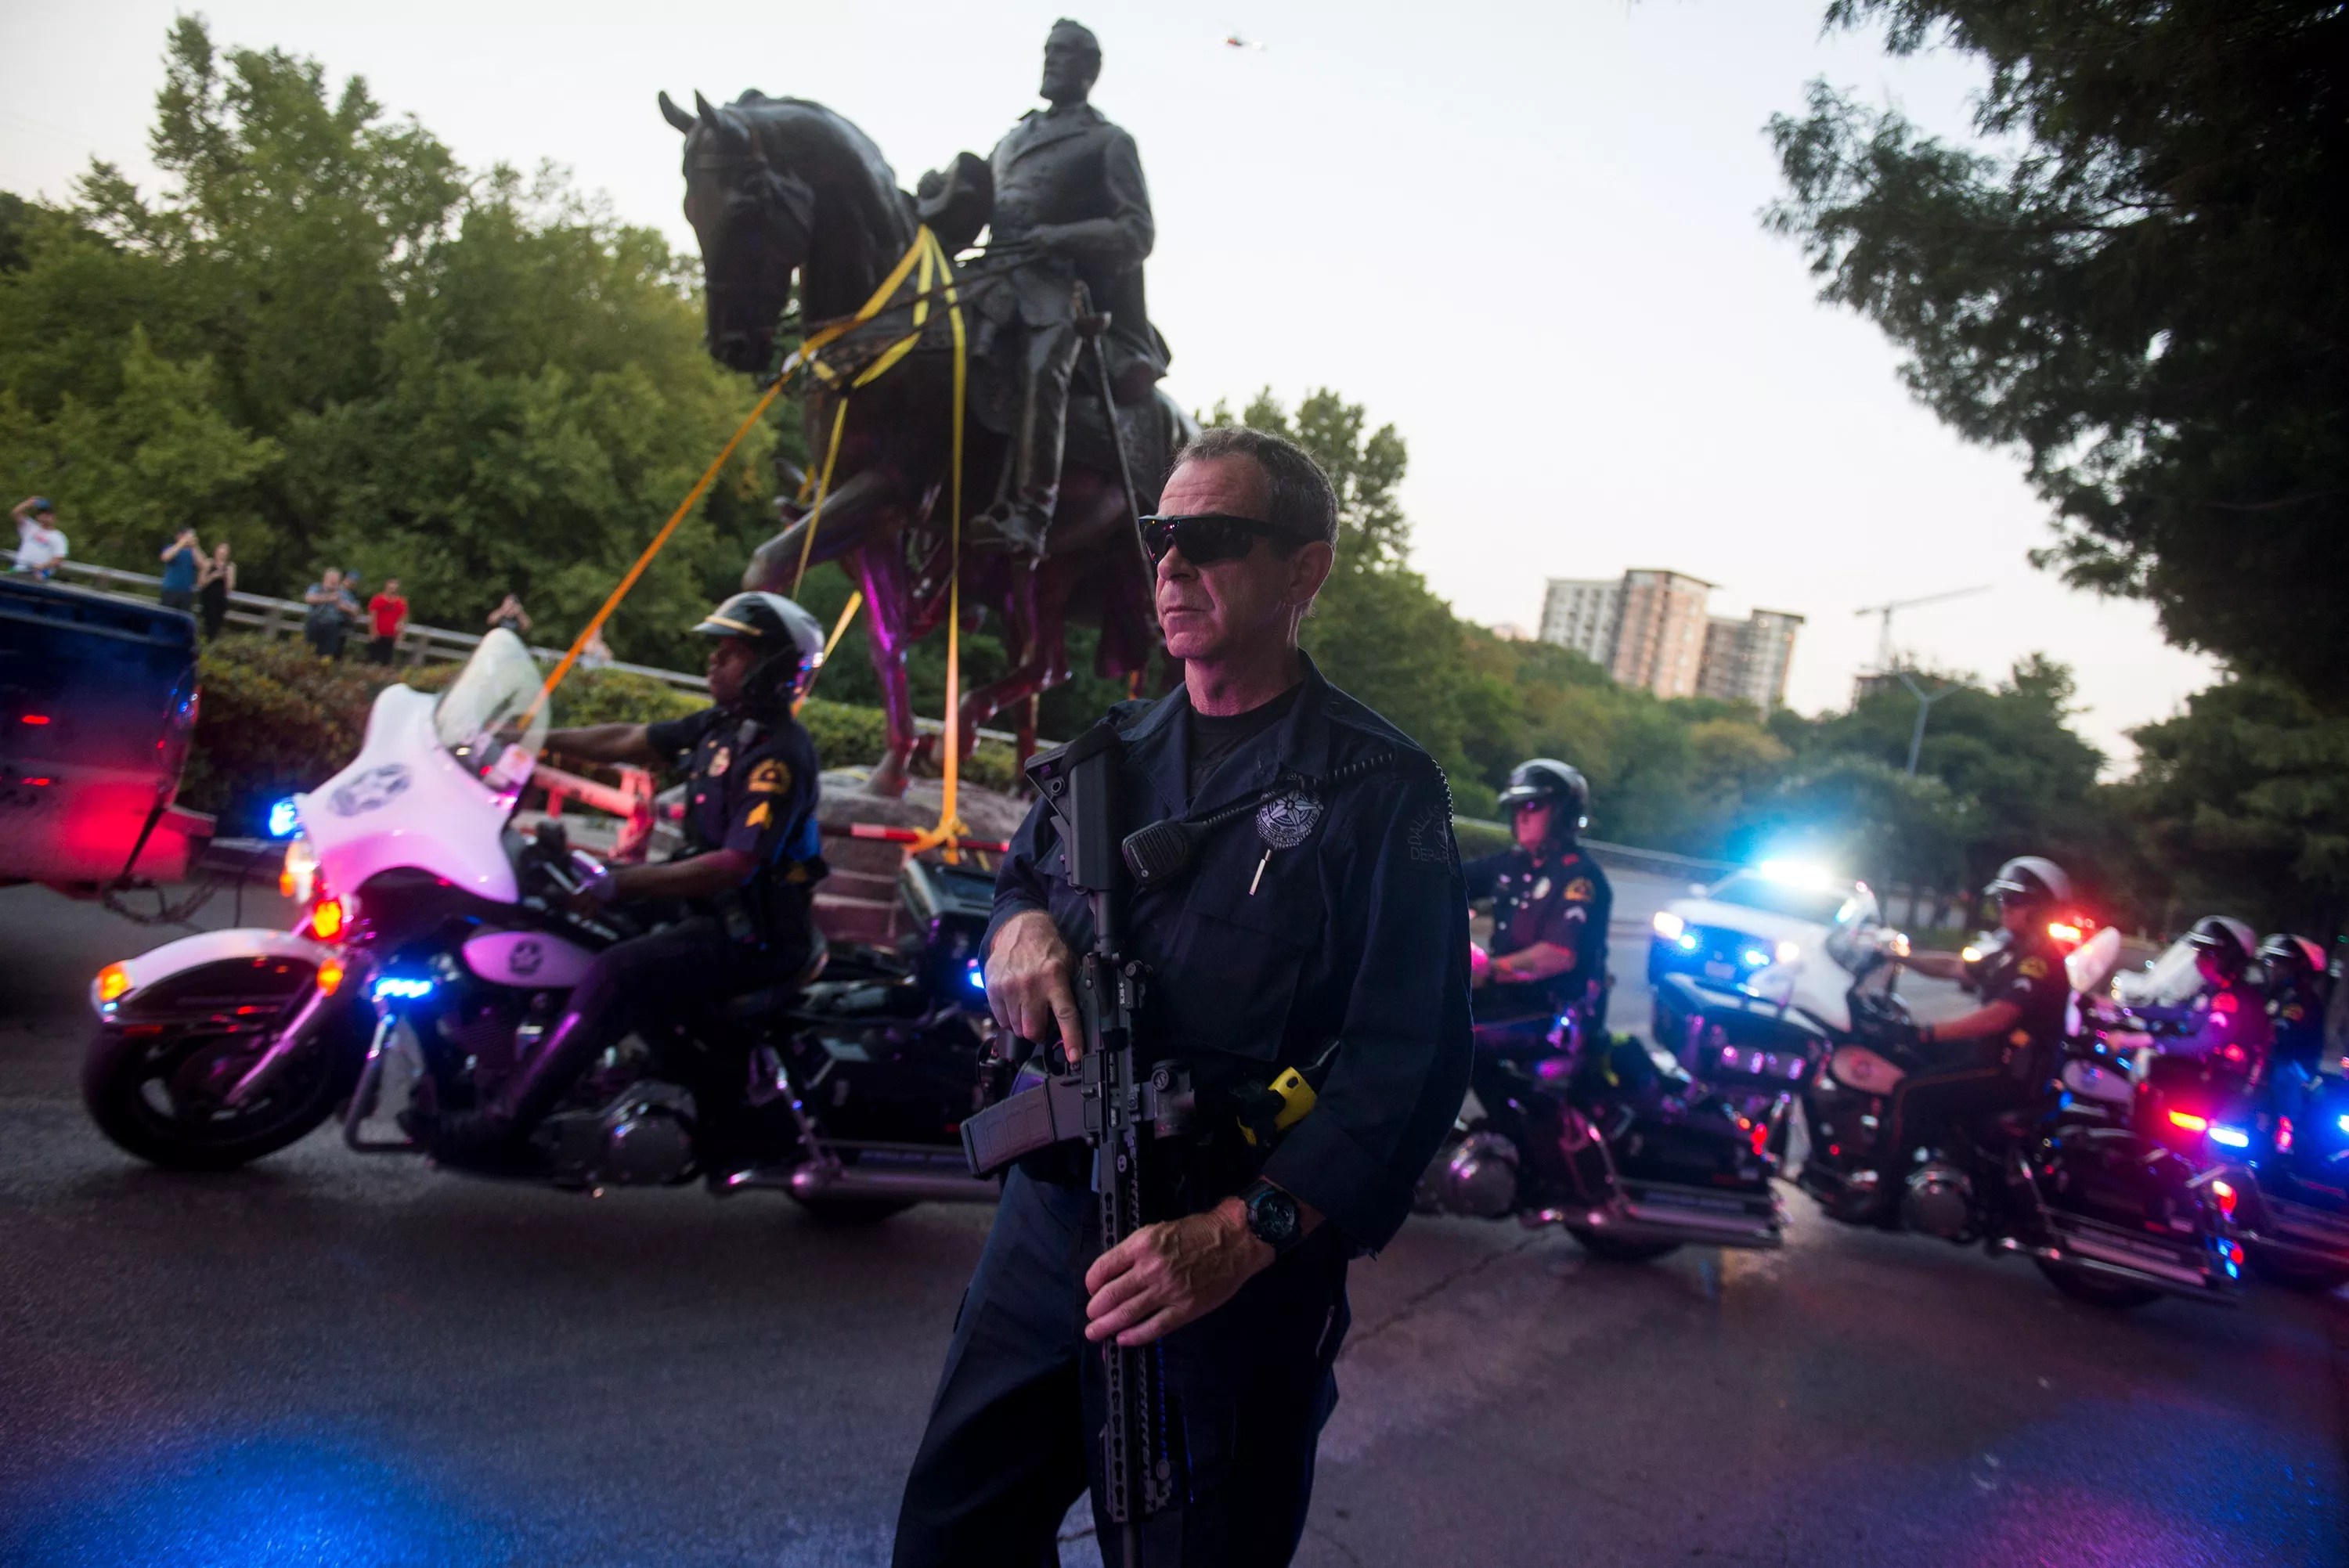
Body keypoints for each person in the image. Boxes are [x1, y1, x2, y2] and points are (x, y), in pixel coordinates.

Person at [893, 427, 1471, 1567]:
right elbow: (1019, 882)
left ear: (1305, 569)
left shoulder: (1378, 787)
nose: (1170, 564)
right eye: (1162, 535)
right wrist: (1015, 928)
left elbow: (1410, 1055)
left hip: (1223, 1263)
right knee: (950, 1541)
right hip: (1049, 1228)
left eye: (1213, 538)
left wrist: (1245, 1233)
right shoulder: (1106, 755)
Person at [428, 590, 830, 1174]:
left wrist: (623, 884)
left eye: (733, 653)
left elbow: (735, 864)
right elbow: (631, 740)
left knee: (616, 972)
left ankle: (501, 1127)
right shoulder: (724, 726)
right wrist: (534, 739)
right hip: (712, 909)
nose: (714, 660)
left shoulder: (779, 756)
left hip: (753, 933)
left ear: (771, 668)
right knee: (562, 916)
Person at [969, 18, 1166, 558]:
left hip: (1055, 283)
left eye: (1064, 54)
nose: (1052, 61)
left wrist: (1060, 237)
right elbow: (973, 207)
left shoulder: (1107, 141)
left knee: (1043, 362)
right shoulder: (1013, 138)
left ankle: (1031, 513)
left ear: (1090, 69)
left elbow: (1136, 232)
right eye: (1048, 51)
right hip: (989, 276)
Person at [1870, 856, 2077, 1208]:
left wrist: (1928, 1032)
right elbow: (1956, 968)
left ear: (2040, 909)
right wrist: (1899, 958)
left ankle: (1884, 1199)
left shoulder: (2039, 960)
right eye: (2002, 898)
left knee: (1910, 1091)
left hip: (2009, 1072)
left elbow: (2000, 1017)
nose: (2004, 907)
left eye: (2014, 900)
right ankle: (1937, 1159)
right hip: (1995, 1059)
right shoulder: (2013, 951)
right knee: (1909, 1059)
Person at [1461, 759, 1614, 1032]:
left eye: (1532, 806)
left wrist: (1488, 969)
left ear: (1564, 813)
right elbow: (1451, 878)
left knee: (1446, 1039)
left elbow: (1558, 955)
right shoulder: (1514, 862)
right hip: (1509, 998)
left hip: (1554, 1015)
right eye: (1516, 806)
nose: (1521, 815)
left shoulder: (1580, 876)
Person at [2259, 932, 2332, 1076]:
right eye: (2272, 962)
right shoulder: (2274, 995)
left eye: (2281, 963)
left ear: (2298, 969)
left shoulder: (2303, 1001)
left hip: (2289, 1072)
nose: (2273, 968)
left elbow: (2283, 1035)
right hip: (2269, 1066)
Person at [11, 497, 68, 579]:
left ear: (53, 517)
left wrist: (43, 566)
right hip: (19, 569)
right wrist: (29, 503)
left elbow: (58, 559)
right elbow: (16, 513)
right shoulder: (30, 527)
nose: (45, 517)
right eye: (41, 514)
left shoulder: (59, 537)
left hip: (37, 574)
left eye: (48, 514)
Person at [303, 568, 352, 659]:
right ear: (325, 578)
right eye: (331, 579)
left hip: (332, 625)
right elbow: (309, 598)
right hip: (315, 622)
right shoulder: (316, 587)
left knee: (327, 654)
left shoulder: (343, 593)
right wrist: (329, 598)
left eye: (335, 580)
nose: (333, 582)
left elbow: (354, 610)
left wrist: (343, 606)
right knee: (309, 650)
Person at [195, 540, 236, 639]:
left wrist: (227, 577)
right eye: (221, 549)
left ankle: (212, 641)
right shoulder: (208, 563)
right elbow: (200, 583)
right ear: (216, 551)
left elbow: (230, 587)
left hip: (220, 600)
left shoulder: (230, 566)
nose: (223, 553)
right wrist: (213, 576)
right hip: (208, 599)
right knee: (207, 624)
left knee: (216, 626)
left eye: (225, 550)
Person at [366, 577, 409, 665]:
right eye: (391, 584)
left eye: (395, 584)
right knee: (372, 661)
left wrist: (400, 635)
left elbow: (402, 620)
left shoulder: (401, 602)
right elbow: (372, 617)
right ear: (386, 585)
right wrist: (372, 632)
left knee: (386, 662)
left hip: (391, 636)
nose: (392, 587)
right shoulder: (377, 599)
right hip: (377, 635)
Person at [157, 528, 201, 612]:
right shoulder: (170, 547)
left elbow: (202, 565)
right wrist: (182, 543)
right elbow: (165, 557)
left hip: (186, 593)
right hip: (171, 591)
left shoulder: (193, 552)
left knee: (182, 618)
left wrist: (195, 546)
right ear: (179, 536)